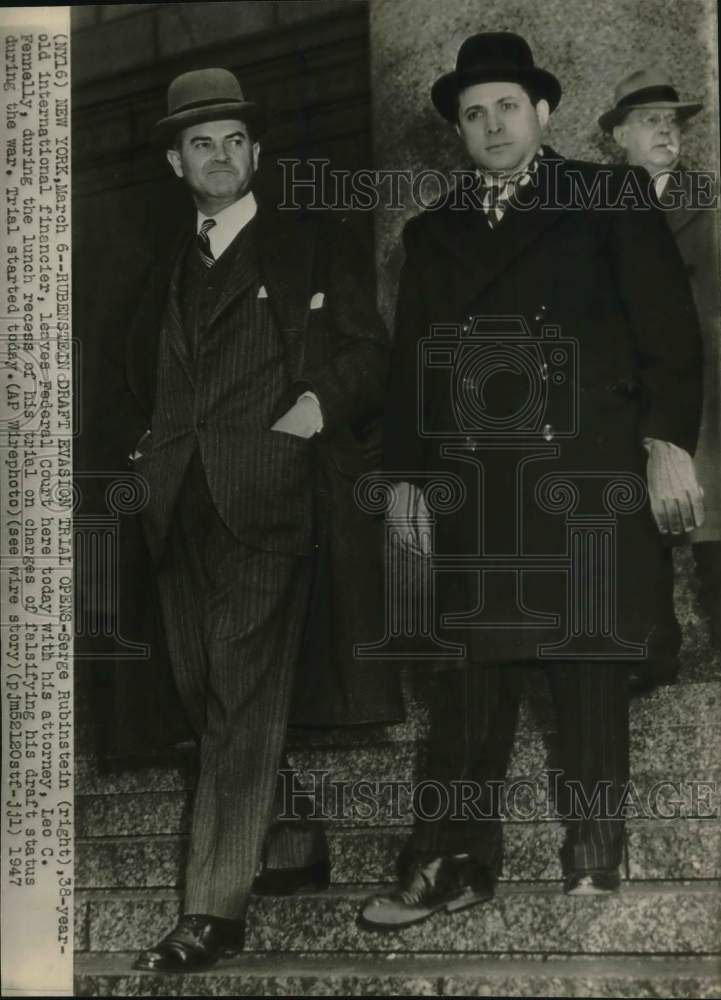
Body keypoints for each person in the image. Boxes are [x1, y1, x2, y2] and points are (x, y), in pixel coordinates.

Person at [361, 32, 703, 930]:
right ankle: (456, 861)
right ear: (459, 131)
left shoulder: (607, 195)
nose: (491, 123)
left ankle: (594, 850)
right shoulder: (431, 234)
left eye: (506, 105)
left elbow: (669, 335)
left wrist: (667, 443)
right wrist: (405, 483)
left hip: (586, 467)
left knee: (587, 664)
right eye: (472, 113)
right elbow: (412, 372)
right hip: (478, 483)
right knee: (473, 676)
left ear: (543, 112)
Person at [125, 68, 391, 970]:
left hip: (270, 498)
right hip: (178, 505)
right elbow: (141, 376)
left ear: (256, 152)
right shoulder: (161, 265)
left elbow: (366, 353)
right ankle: (291, 842)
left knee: (237, 697)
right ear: (175, 161)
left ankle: (213, 909)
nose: (221, 155)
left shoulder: (310, 243)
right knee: (210, 697)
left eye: (235, 140)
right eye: (202, 142)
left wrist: (304, 414)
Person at [601, 67, 721, 677]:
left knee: (715, 530)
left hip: (715, 391)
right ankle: (654, 659)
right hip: (640, 393)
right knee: (642, 531)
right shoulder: (595, 210)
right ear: (618, 135)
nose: (666, 132)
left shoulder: (710, 198)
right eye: (650, 121)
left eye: (672, 122)